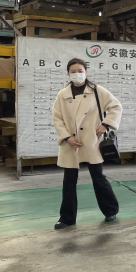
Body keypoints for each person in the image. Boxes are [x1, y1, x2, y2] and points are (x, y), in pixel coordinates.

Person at [52, 58, 123, 230]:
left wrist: (105, 124)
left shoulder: (97, 91)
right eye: (73, 71)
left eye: (80, 71)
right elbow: (57, 118)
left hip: (91, 141)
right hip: (71, 143)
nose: (77, 74)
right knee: (69, 181)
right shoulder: (63, 95)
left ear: (86, 72)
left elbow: (116, 106)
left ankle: (110, 211)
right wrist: (67, 137)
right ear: (68, 74)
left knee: (98, 177)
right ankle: (67, 218)